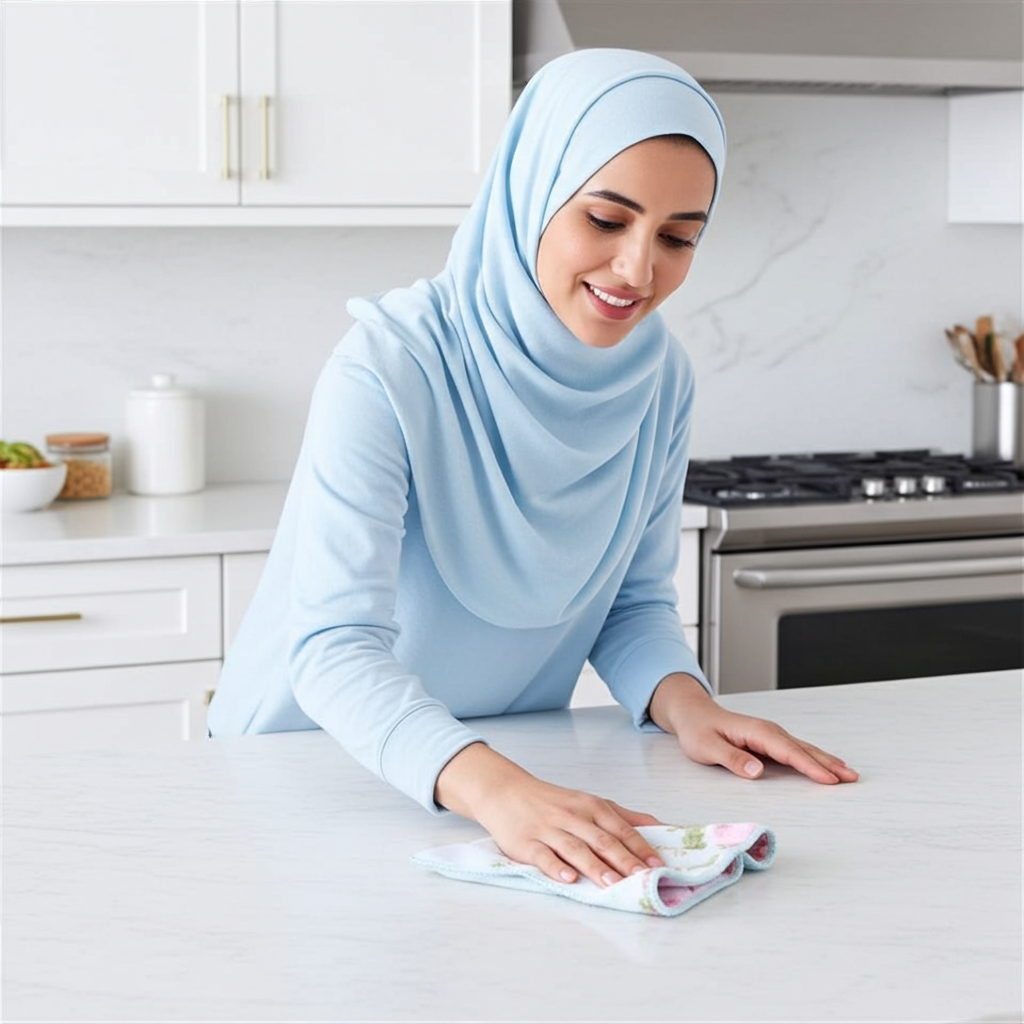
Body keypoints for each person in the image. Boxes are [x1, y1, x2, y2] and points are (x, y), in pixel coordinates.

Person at [209, 48, 857, 891]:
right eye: (605, 219)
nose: (638, 270)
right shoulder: (388, 364)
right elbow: (333, 647)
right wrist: (498, 791)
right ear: (532, 191)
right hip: (313, 777)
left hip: (513, 782)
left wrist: (689, 708)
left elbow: (629, 604)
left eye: (677, 238)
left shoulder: (660, 379)